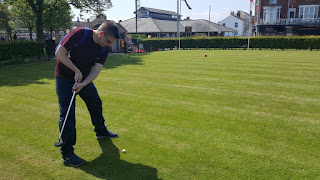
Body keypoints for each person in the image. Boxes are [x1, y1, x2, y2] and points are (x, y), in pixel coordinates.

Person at [55, 21, 120, 166]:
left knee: (95, 102)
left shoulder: (104, 48)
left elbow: (96, 71)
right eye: (108, 41)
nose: (109, 45)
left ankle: (100, 130)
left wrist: (84, 83)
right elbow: (59, 53)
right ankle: (67, 153)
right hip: (64, 78)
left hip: (84, 79)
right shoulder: (79, 34)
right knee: (67, 114)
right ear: (101, 33)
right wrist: (76, 71)